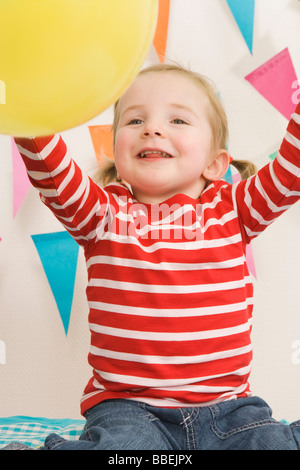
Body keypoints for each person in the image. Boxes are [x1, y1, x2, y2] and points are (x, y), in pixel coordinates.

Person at [6, 63, 300, 450]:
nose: (152, 128)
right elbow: (50, 171)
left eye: (177, 119)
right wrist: (27, 102)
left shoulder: (234, 210)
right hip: (130, 412)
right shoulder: (101, 215)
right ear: (115, 151)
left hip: (230, 412)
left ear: (216, 163)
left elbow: (290, 169)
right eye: (134, 120)